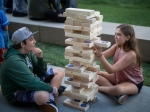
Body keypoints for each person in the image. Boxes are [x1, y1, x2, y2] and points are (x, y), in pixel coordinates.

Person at [0, 27, 66, 112]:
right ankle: (47, 98)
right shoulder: (14, 61)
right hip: (17, 92)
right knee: (44, 95)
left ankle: (49, 99)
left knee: (59, 71)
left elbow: (41, 72)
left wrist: (40, 58)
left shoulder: (27, 53)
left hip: (30, 82)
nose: (35, 42)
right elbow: (31, 82)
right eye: (31, 39)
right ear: (22, 44)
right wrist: (53, 89)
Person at [94, 24, 144, 104]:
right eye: (115, 34)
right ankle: (120, 94)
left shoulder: (131, 54)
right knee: (96, 76)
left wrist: (100, 55)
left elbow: (111, 70)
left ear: (127, 37)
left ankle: (97, 88)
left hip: (132, 82)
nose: (115, 37)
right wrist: (93, 50)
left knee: (118, 89)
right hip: (119, 77)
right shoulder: (117, 47)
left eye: (119, 35)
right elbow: (100, 55)